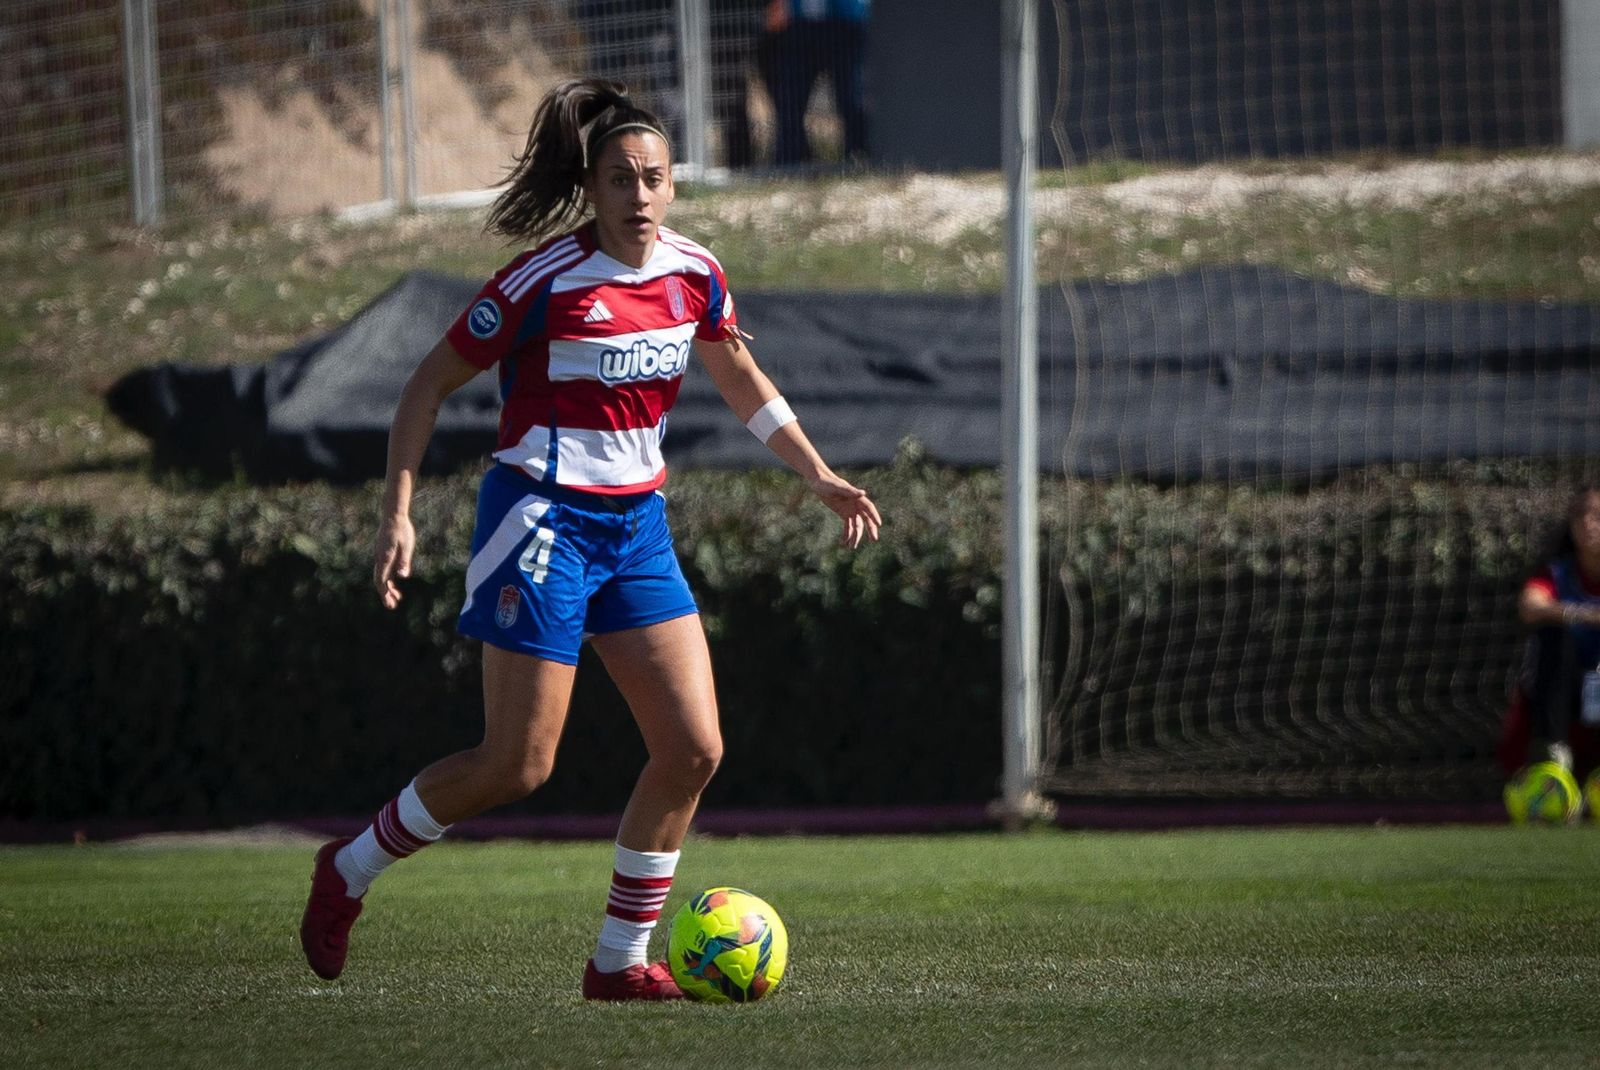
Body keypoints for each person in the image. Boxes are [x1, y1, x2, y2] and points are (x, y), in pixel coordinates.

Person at [298, 77, 882, 1000]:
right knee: (516, 764)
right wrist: (397, 512)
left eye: (654, 177)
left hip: (637, 527)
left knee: (693, 748)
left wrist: (815, 472)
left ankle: (617, 963)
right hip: (541, 522)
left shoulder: (695, 273)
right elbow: (425, 386)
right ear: (592, 186)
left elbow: (740, 377)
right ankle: (351, 868)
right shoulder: (541, 281)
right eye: (620, 178)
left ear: (674, 186)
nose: (640, 195)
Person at [1498, 486, 1600, 781]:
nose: (1588, 524)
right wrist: (1584, 615)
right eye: (1580, 515)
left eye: (1596, 516)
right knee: (1553, 637)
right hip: (1569, 694)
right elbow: (1530, 605)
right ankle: (1555, 752)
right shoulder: (1557, 573)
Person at [763, 0, 870, 167]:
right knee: (790, 100)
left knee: (851, 96)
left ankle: (858, 159)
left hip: (845, 23)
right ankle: (790, 164)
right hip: (800, 25)